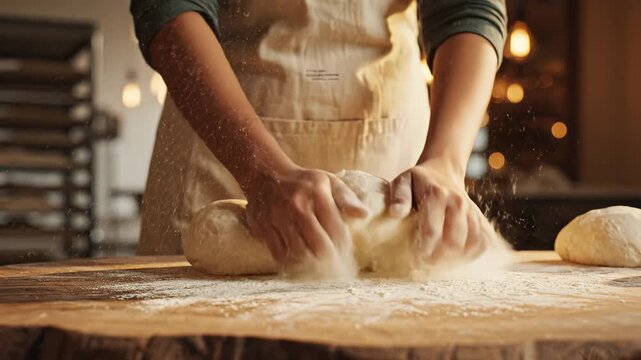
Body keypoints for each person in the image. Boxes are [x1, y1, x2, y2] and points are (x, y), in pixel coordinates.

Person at [130, 0, 507, 266]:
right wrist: (259, 168)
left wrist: (446, 161)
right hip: (220, 140)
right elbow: (168, 7)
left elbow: (467, 8)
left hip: (389, 152)